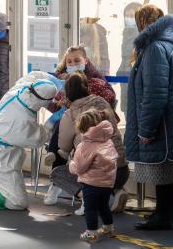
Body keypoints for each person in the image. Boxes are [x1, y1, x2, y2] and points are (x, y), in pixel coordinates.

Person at [125, 5, 173, 230]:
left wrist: (146, 130)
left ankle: (163, 216)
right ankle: (166, 211)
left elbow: (155, 94)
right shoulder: (170, 44)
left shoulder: (155, 48)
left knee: (161, 167)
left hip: (163, 124)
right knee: (166, 169)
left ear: (142, 23)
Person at [0, 71, 63, 210]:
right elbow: (39, 140)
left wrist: (53, 79)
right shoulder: (19, 121)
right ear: (44, 102)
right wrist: (52, 121)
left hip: (0, 151)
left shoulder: (21, 89)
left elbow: (33, 75)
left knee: (12, 188)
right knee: (16, 202)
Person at [43, 46, 116, 205]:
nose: (73, 63)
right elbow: (52, 105)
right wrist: (60, 103)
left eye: (77, 60)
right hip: (70, 124)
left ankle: (55, 156)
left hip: (91, 124)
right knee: (63, 121)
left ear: (86, 61)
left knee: (65, 128)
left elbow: (109, 100)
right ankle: (56, 176)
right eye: (69, 61)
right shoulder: (63, 81)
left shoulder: (95, 81)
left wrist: (86, 106)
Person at [50, 72, 130, 215]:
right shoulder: (102, 102)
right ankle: (117, 191)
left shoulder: (70, 115)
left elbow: (63, 147)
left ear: (67, 93)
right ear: (87, 87)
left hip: (95, 177)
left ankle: (89, 198)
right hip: (121, 170)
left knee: (58, 174)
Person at [69, 109, 118, 242]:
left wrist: (71, 164)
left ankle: (91, 234)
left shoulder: (85, 145)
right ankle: (109, 227)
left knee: (91, 209)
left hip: (91, 184)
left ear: (83, 129)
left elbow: (79, 168)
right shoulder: (107, 140)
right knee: (103, 206)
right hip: (108, 183)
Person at [116, 2, 142, 114]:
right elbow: (126, 58)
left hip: (134, 80)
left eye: (132, 16)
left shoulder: (140, 36)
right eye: (127, 16)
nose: (129, 19)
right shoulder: (127, 32)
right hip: (126, 78)